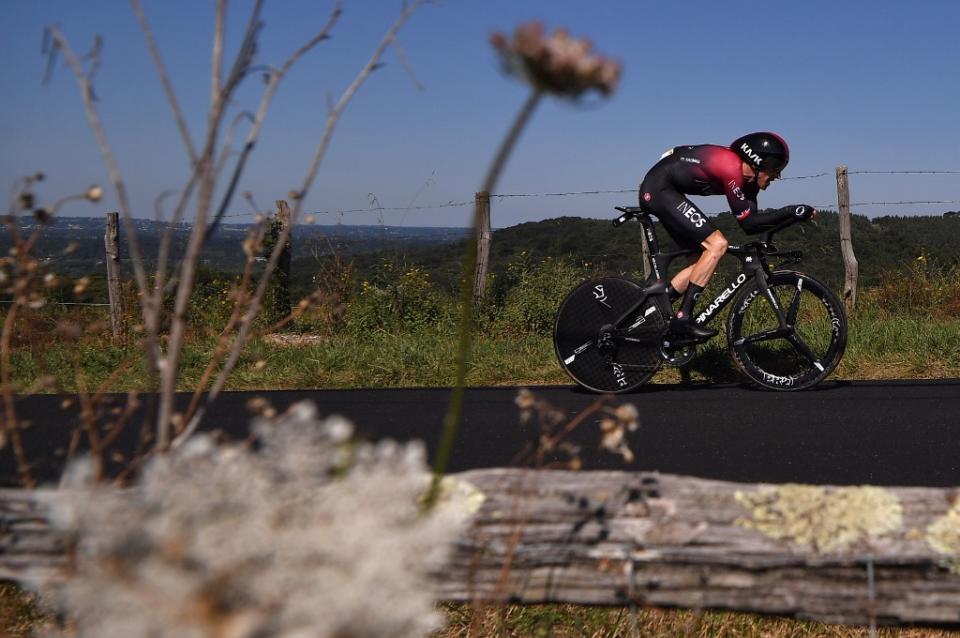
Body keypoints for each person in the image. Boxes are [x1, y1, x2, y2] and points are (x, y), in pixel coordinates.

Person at [637, 131, 816, 340]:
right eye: (775, 169)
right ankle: (683, 319)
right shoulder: (730, 167)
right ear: (757, 162)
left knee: (700, 264)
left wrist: (794, 216)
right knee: (718, 245)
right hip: (659, 189)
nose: (777, 176)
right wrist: (790, 211)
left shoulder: (749, 184)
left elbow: (751, 225)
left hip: (668, 190)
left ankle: (652, 313)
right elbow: (748, 222)